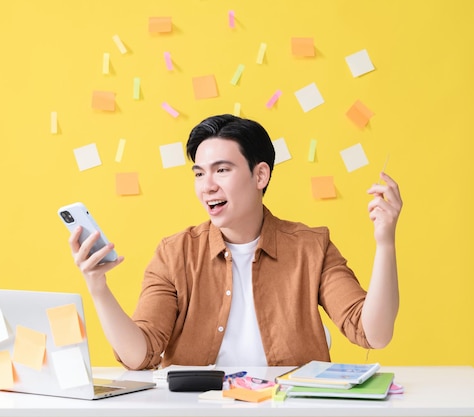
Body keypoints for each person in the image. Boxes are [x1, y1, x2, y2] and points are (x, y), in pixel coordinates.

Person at [68, 114, 402, 370]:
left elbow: (373, 333)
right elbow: (139, 355)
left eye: (221, 170)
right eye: (199, 173)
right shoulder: (175, 254)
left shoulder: (311, 247)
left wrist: (384, 242)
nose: (207, 186)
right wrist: (98, 287)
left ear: (260, 176)